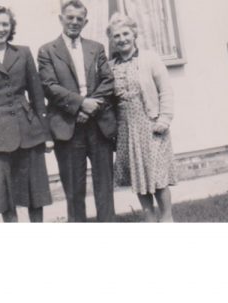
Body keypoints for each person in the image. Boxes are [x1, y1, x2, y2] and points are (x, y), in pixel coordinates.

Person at [0, 5, 53, 222]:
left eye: (5, 24)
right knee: (5, 197)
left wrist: (46, 134)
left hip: (28, 132)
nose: (1, 29)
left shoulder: (23, 53)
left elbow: (37, 96)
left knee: (35, 193)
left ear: (11, 27)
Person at [38, 0, 117, 222]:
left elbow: (108, 80)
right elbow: (49, 86)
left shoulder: (97, 47)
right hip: (67, 126)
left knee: (105, 186)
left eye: (79, 19)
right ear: (61, 19)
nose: (74, 22)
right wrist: (81, 104)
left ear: (85, 22)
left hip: (99, 124)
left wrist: (90, 107)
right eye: (70, 17)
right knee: (74, 189)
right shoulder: (47, 51)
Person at [106, 13, 177, 222]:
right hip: (126, 130)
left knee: (157, 177)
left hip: (152, 125)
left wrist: (164, 118)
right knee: (138, 176)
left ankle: (167, 219)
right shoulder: (111, 66)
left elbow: (165, 90)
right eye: (116, 36)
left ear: (134, 34)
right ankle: (149, 219)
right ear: (111, 39)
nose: (122, 39)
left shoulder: (150, 58)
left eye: (126, 33)